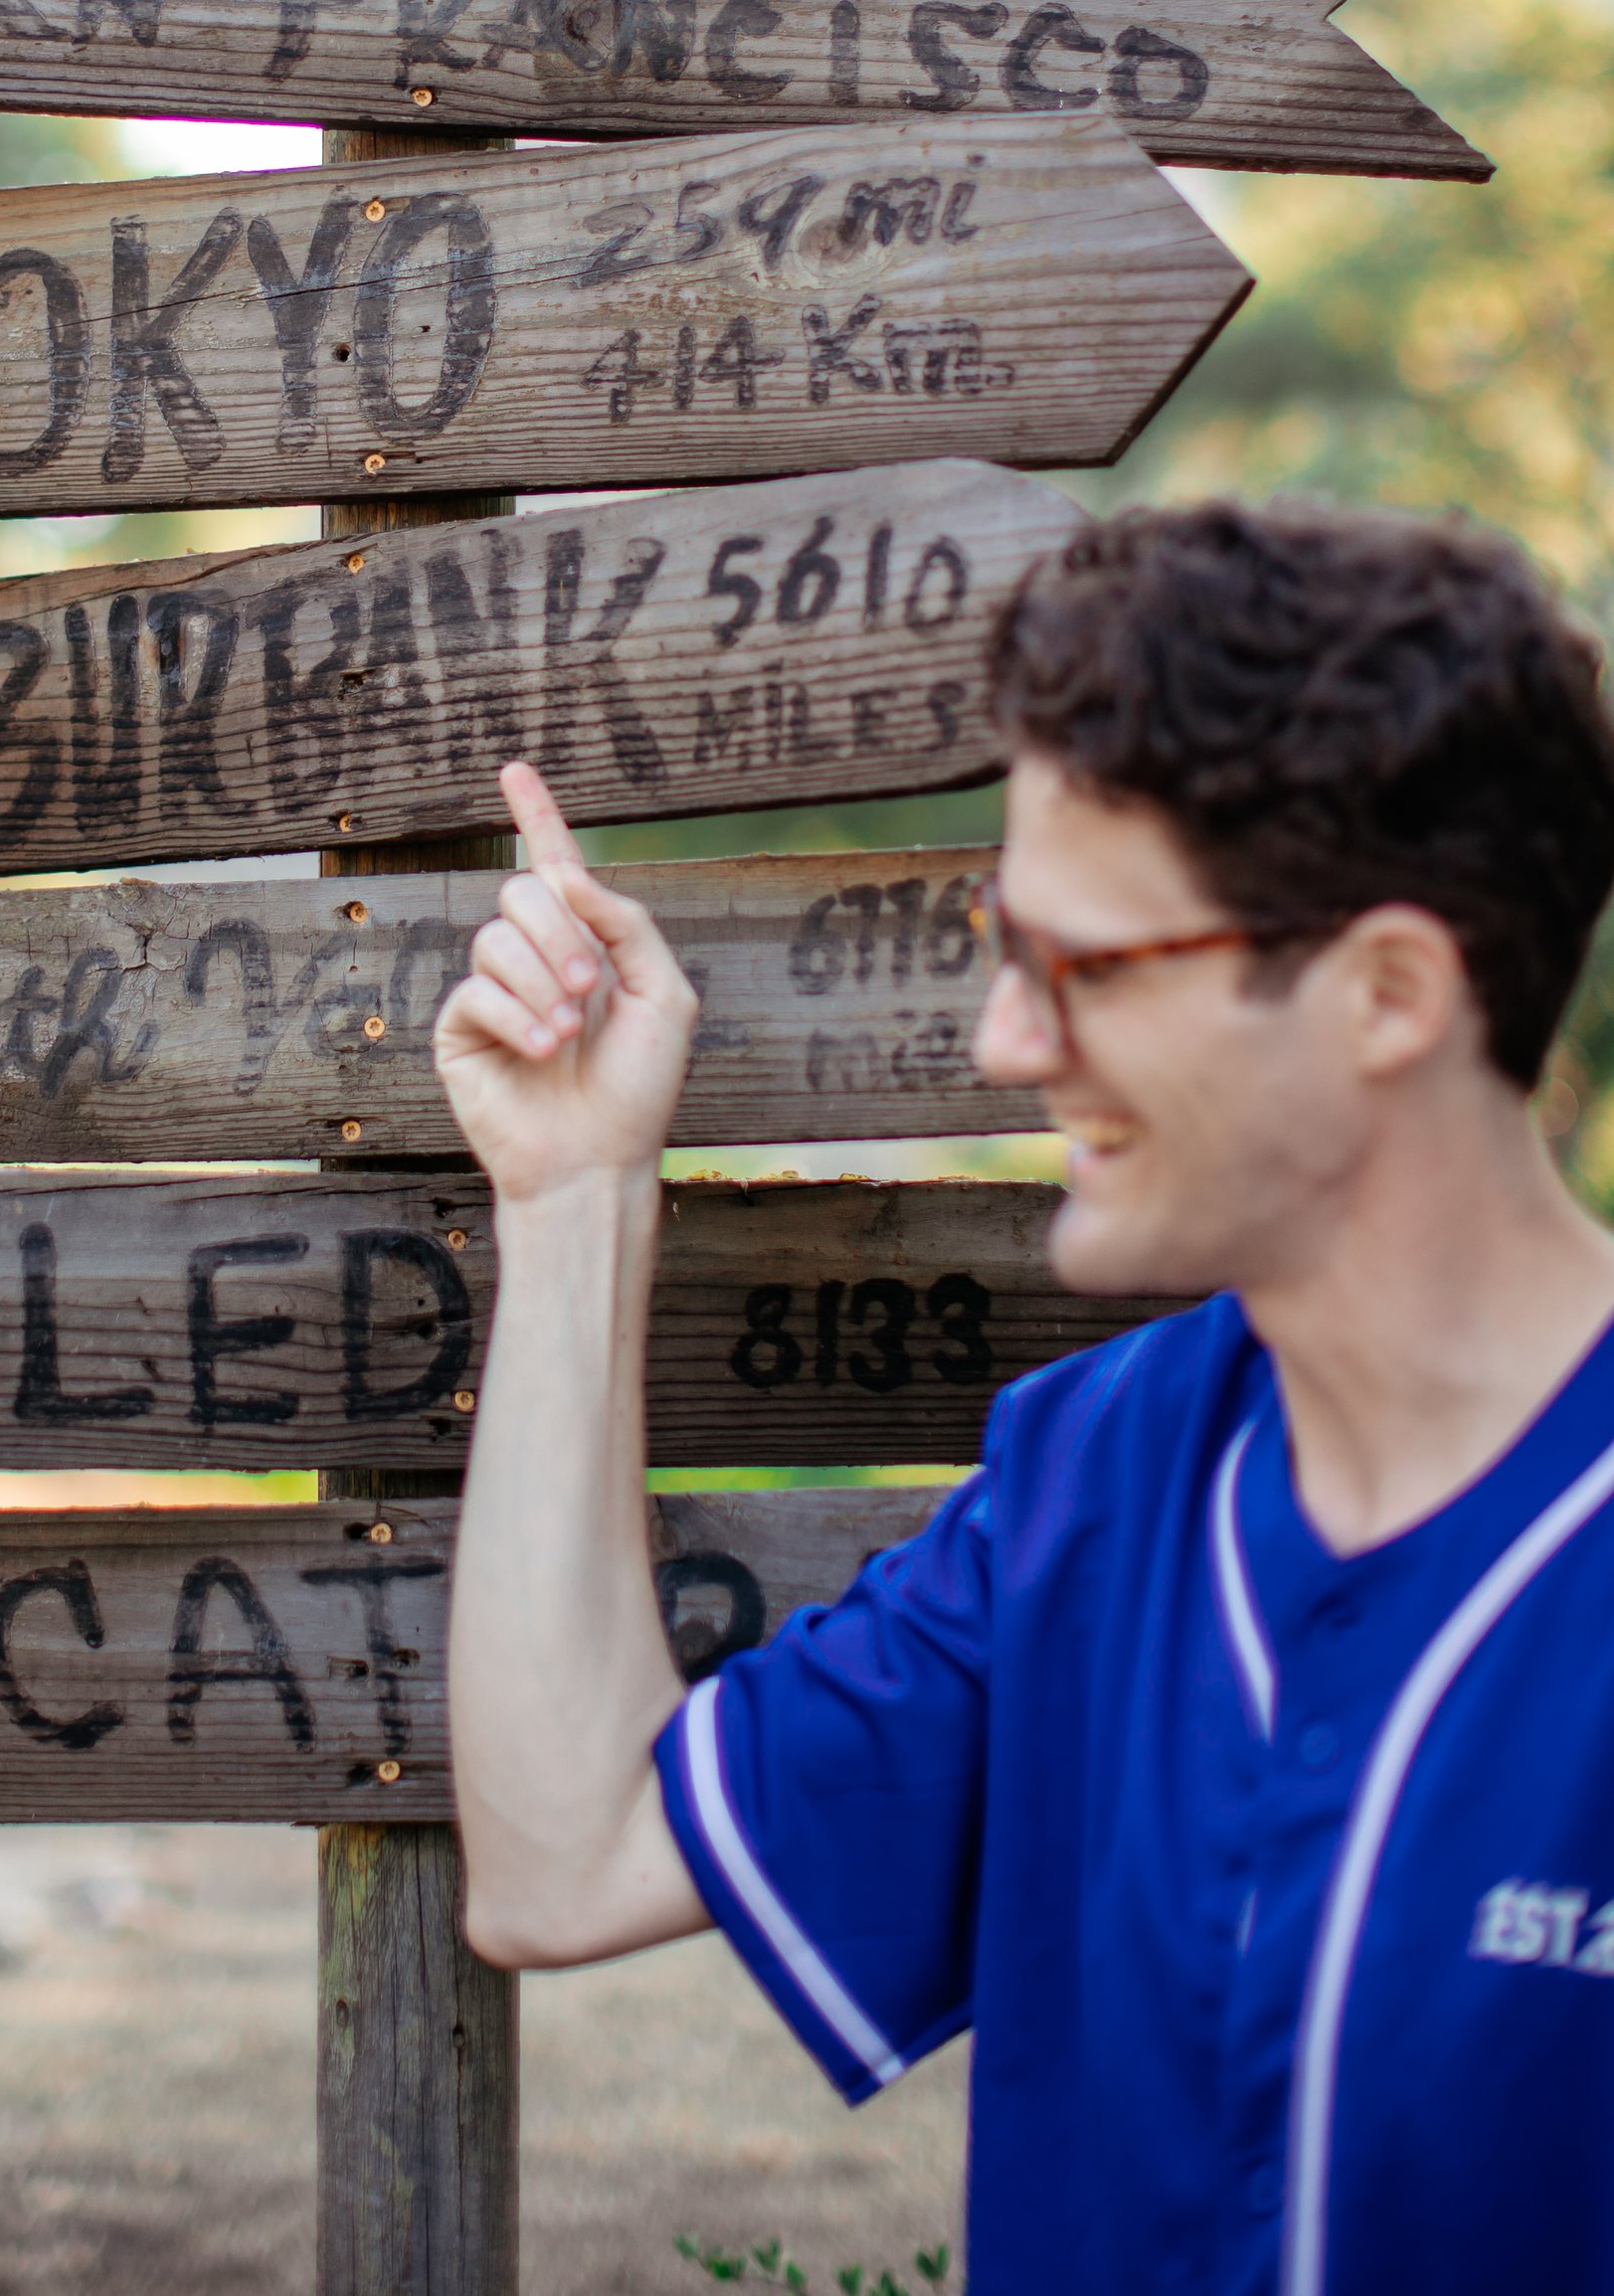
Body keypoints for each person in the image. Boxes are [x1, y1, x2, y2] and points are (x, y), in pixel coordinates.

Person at [436, 499, 1614, 2296]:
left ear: (1388, 989)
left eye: (1083, 967)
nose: (1004, 1039)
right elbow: (562, 1858)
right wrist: (575, 1193)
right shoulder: (1095, 1480)